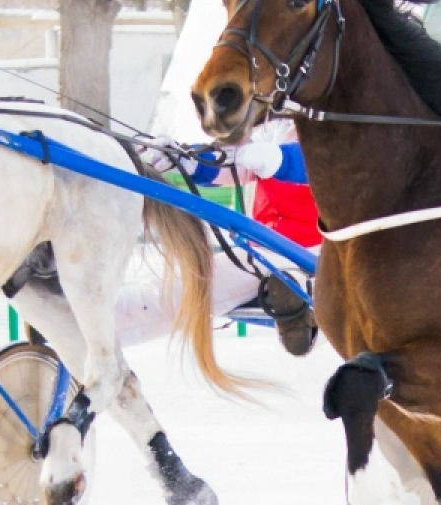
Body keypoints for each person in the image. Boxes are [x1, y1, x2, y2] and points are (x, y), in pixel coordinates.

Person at [121, 119, 319, 357]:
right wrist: (188, 160)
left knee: (329, 288)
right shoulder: (276, 127)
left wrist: (280, 159)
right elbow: (238, 163)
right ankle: (94, 322)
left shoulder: (346, 118)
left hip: (331, 252)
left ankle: (302, 303)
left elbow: (338, 158)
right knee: (180, 290)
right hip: (266, 250)